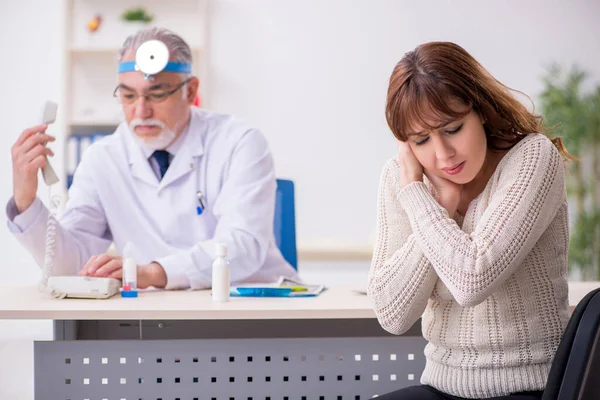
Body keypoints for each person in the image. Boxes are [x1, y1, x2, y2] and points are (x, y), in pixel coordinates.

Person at [7, 27, 297, 290]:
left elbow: (243, 247)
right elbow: (71, 265)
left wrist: (150, 273)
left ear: (191, 91)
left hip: (253, 308)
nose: (141, 111)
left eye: (156, 94)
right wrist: (26, 201)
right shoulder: (102, 158)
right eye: (128, 96)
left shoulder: (239, 142)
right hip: (155, 315)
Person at [367, 41, 574, 399]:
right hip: (440, 386)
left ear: (480, 109)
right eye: (421, 140)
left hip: (530, 388)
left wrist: (420, 202)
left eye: (452, 129)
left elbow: (471, 279)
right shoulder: (403, 177)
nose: (442, 154)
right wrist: (435, 203)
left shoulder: (531, 159)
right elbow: (392, 313)